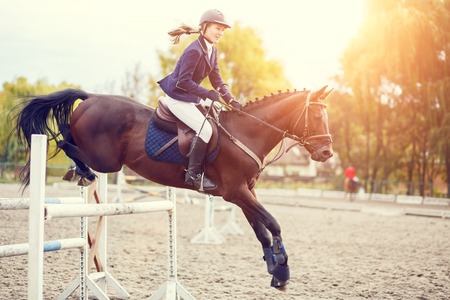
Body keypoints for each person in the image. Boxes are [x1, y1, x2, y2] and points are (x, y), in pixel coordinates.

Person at [157, 9, 242, 191]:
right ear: (205, 27)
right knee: (205, 131)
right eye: (217, 28)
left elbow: (217, 80)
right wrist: (207, 94)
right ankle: (193, 175)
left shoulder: (212, 49)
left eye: (222, 30)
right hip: (177, 98)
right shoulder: (194, 50)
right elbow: (183, 81)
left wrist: (231, 100)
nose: (220, 33)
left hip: (189, 96)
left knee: (219, 114)